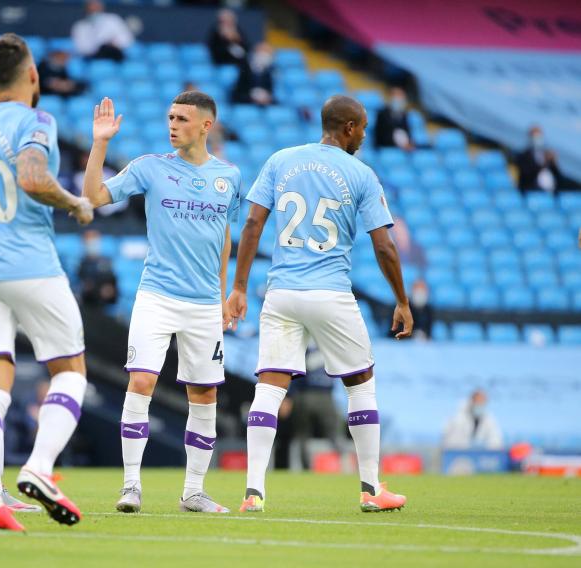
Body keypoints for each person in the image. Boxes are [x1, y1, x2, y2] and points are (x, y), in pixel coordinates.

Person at [228, 95, 413, 514]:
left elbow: (253, 222)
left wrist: (239, 287)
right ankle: (371, 489)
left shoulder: (281, 160)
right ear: (348, 127)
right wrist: (402, 300)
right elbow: (384, 245)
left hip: (282, 291)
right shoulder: (361, 174)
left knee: (269, 387)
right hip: (330, 292)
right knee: (360, 383)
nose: (363, 135)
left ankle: (253, 492)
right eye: (362, 128)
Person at [0, 33, 94, 532]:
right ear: (33, 75)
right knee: (70, 370)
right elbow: (32, 177)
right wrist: (74, 203)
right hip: (30, 264)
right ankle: (39, 467)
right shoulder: (37, 121)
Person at [83, 93, 241, 514]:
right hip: (157, 295)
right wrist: (100, 142)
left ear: (206, 125)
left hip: (204, 304)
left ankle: (193, 492)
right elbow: (94, 196)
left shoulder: (229, 176)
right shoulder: (150, 167)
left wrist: (224, 295)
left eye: (182, 119)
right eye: (170, 117)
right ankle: (131, 486)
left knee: (204, 393)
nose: (173, 124)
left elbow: (224, 236)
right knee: (141, 382)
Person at [288, 344, 339, 470]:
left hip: (307, 395)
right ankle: (346, 465)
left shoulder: (302, 344)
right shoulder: (329, 343)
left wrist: (290, 395)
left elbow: (295, 372)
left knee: (303, 435)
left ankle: (305, 469)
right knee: (334, 435)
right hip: (323, 395)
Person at [516, 126, 571, 193]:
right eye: (535, 137)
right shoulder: (523, 155)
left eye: (539, 137)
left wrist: (553, 163)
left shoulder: (547, 153)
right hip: (531, 191)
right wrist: (544, 163)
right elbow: (526, 174)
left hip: (550, 192)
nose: (537, 139)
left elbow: (558, 175)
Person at [77, 229, 118, 306]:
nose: (92, 245)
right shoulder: (80, 264)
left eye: (94, 241)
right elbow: (80, 286)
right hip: (85, 304)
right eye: (89, 242)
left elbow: (110, 290)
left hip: (104, 305)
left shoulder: (106, 262)